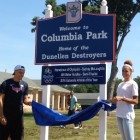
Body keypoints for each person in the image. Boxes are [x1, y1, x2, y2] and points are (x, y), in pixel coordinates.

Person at [0, 65, 32, 140]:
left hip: (18, 117)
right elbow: (0, 99)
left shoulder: (25, 85)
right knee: (3, 137)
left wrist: (31, 103)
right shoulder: (6, 83)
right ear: (15, 72)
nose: (22, 74)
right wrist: (2, 116)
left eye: (23, 73)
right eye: (20, 72)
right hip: (7, 116)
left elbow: (25, 100)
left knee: (18, 137)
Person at [110, 60, 138, 140]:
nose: (124, 73)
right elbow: (118, 99)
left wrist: (122, 98)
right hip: (119, 115)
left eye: (126, 71)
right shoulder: (120, 84)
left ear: (131, 72)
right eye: (123, 71)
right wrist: (112, 100)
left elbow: (136, 101)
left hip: (127, 115)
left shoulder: (133, 84)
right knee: (124, 138)